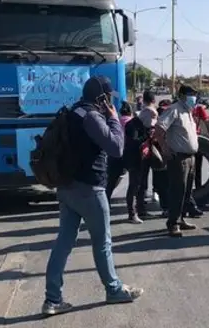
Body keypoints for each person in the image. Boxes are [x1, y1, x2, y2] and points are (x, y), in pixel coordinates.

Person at [43, 76, 143, 316]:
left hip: (66, 188)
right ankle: (114, 289)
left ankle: (52, 299)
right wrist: (113, 118)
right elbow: (116, 148)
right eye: (109, 97)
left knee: (63, 243)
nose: (111, 101)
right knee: (103, 243)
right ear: (101, 98)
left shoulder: (72, 112)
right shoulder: (92, 116)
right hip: (89, 189)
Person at [155, 85, 202, 237]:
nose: (193, 97)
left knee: (187, 192)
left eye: (194, 94)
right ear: (181, 95)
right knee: (178, 191)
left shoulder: (188, 111)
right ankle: (173, 223)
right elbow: (159, 129)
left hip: (190, 157)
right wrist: (164, 148)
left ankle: (181, 219)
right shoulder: (174, 109)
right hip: (178, 158)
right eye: (190, 94)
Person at [105, 102, 133, 200]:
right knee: (134, 182)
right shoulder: (132, 122)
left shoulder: (116, 121)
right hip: (128, 154)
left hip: (115, 154)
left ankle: (106, 199)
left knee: (111, 181)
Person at [151, 99, 171, 215]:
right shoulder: (165, 125)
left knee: (162, 183)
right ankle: (166, 207)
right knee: (164, 183)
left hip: (160, 158)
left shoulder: (157, 124)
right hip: (161, 158)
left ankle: (166, 207)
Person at [192, 103, 209, 189]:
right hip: (183, 141)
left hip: (197, 139)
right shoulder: (180, 108)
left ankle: (198, 188)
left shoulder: (199, 108)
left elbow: (207, 122)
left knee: (197, 166)